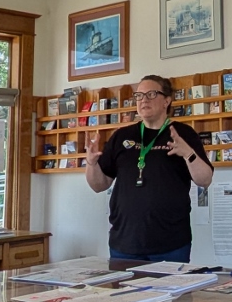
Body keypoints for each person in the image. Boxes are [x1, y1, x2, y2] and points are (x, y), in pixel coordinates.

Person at [85, 75, 213, 262]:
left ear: (167, 101)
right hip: (125, 242)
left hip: (171, 244)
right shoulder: (122, 136)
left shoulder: (184, 134)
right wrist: (91, 163)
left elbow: (205, 180)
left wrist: (188, 153)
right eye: (139, 95)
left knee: (172, 292)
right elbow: (99, 185)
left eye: (151, 94)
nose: (143, 99)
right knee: (125, 293)